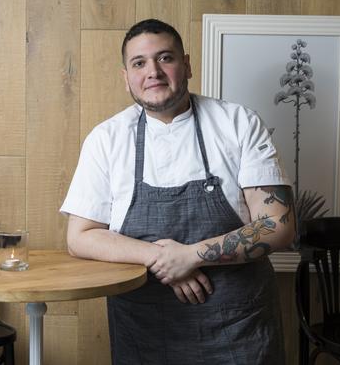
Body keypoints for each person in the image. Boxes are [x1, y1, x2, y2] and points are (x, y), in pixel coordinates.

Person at [60, 18, 295, 364]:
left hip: (239, 325)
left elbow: (280, 225)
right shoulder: (106, 139)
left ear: (186, 65)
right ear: (126, 78)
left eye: (165, 58)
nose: (152, 71)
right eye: (139, 63)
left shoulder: (238, 123)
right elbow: (80, 236)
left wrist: (191, 256)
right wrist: (161, 258)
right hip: (144, 329)